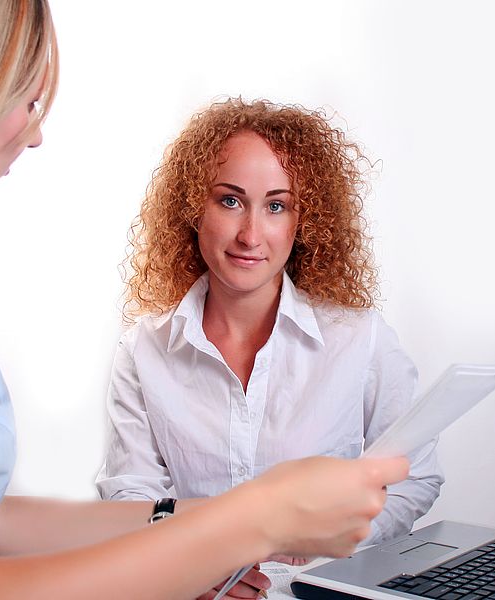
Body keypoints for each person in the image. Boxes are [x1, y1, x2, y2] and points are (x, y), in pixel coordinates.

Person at [0, 3, 409, 599]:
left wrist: (194, 526)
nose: (37, 133)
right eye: (28, 102)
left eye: (276, 205)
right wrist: (254, 519)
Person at [96, 98, 444, 551]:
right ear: (193, 208)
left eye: (276, 206)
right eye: (230, 201)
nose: (250, 235)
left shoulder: (360, 339)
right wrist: (194, 566)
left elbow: (413, 476)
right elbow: (131, 493)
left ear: (305, 222)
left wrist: (333, 540)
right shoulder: (143, 350)